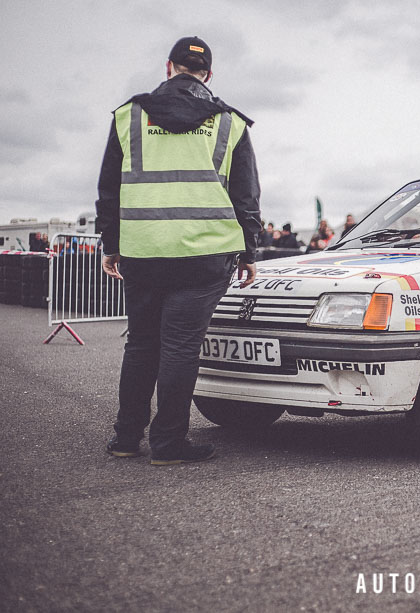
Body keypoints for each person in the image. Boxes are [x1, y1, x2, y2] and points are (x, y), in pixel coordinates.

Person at [96, 36, 262, 465]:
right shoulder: (229, 123)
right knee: (180, 348)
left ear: (168, 68)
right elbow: (245, 196)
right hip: (203, 256)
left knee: (141, 345)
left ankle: (126, 439)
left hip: (143, 250)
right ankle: (168, 444)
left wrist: (111, 245)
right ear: (207, 75)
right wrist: (249, 253)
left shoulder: (127, 116)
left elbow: (109, 191)